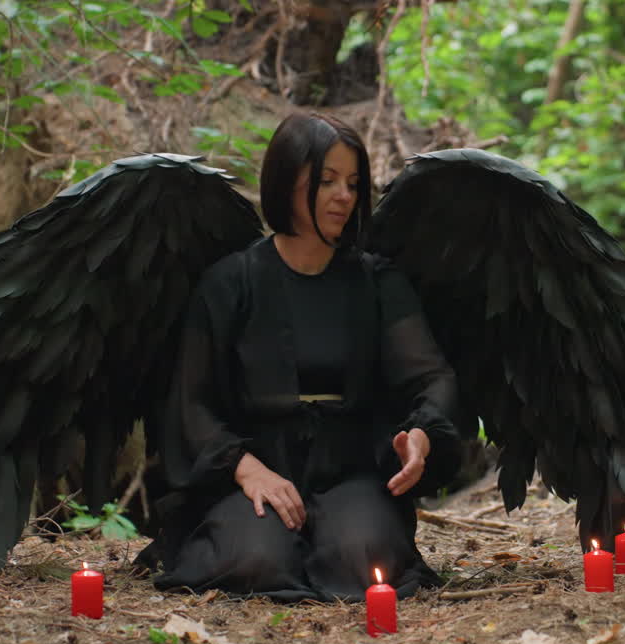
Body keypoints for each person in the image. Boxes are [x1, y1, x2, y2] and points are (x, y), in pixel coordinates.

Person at [145, 113, 462, 601]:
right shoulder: (230, 283)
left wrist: (421, 433)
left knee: (366, 559)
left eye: (354, 183)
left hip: (350, 466)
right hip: (254, 465)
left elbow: (430, 375)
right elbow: (191, 401)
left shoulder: (379, 283)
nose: (345, 196)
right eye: (327, 180)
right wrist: (245, 467)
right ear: (287, 181)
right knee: (254, 561)